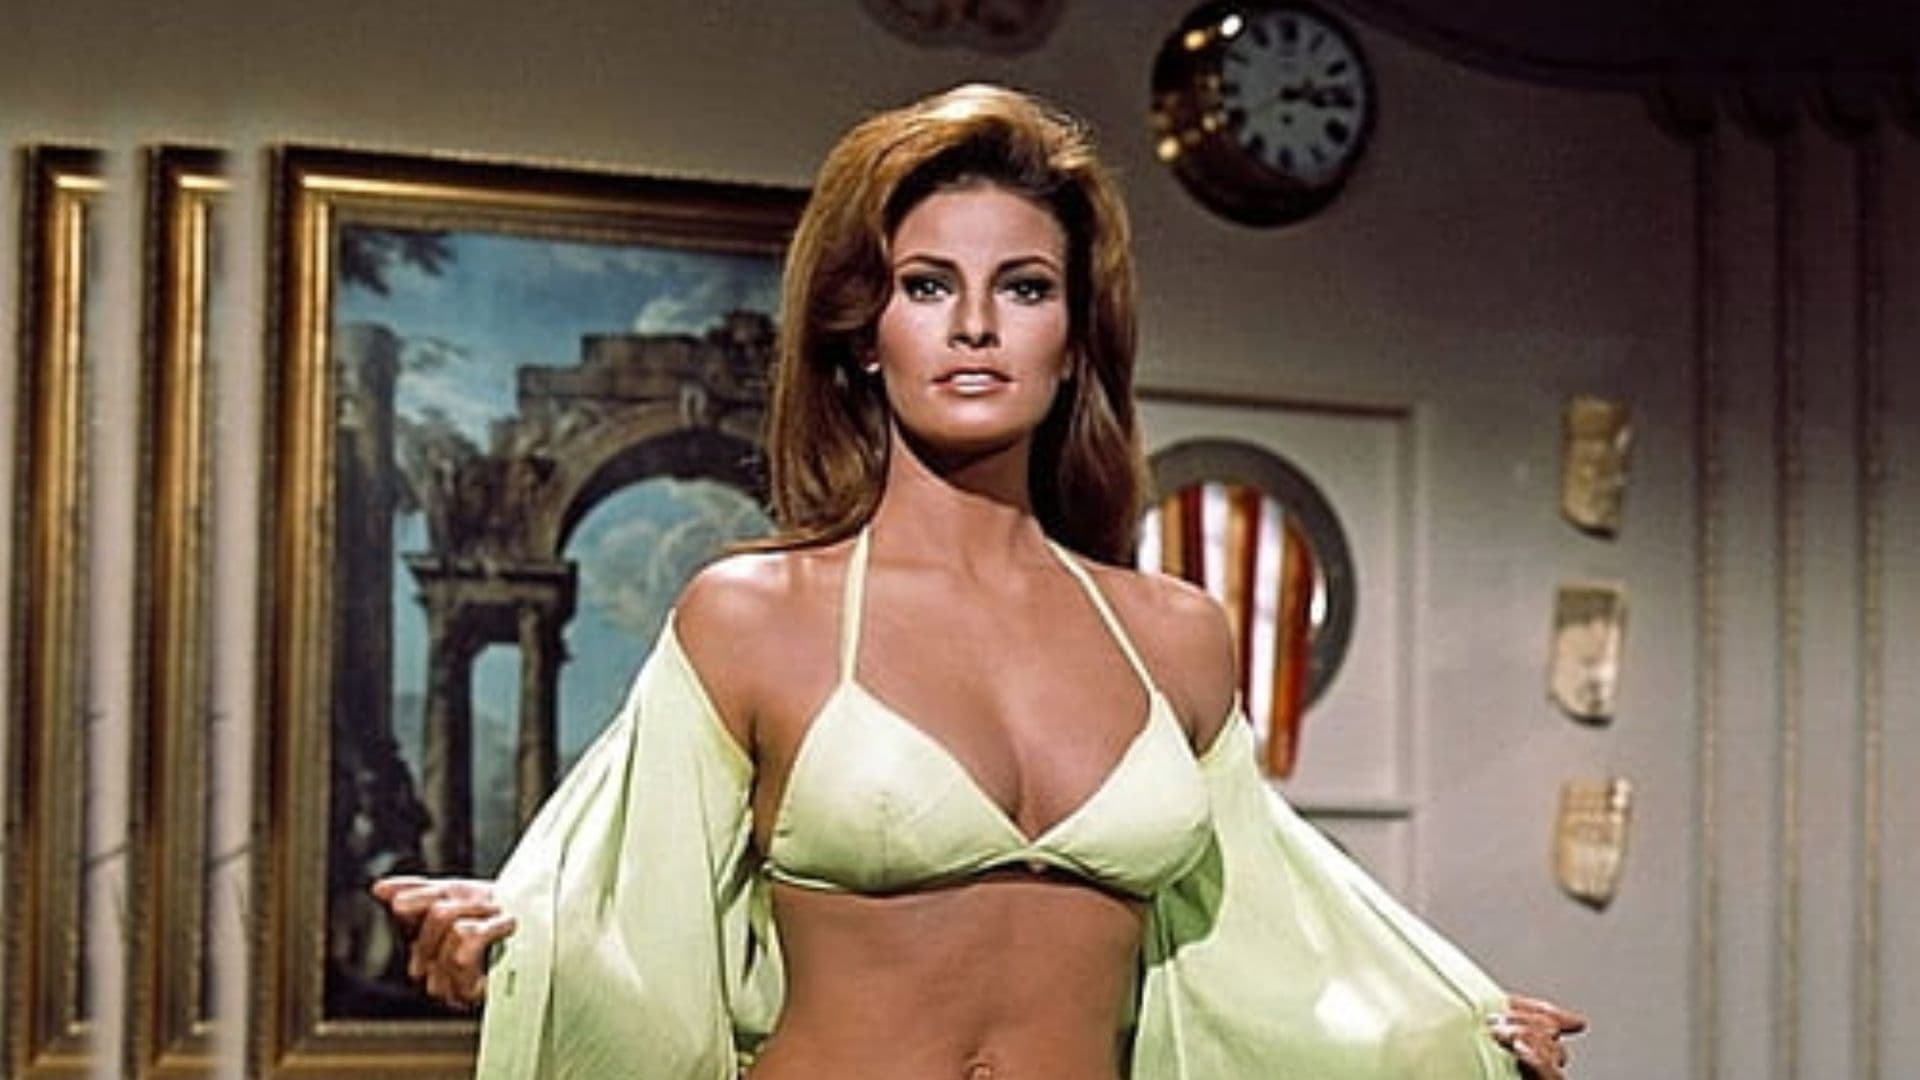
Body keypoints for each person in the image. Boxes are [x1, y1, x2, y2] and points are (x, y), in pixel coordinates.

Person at [374, 83, 1586, 1079]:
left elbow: (1270, 943)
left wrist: (1454, 1032)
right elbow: (634, 918)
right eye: (926, 285)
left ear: (1073, 340)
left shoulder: (1176, 637)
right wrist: (510, 940)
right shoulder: (752, 617)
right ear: (865, 334)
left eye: (1024, 286)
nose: (974, 325)